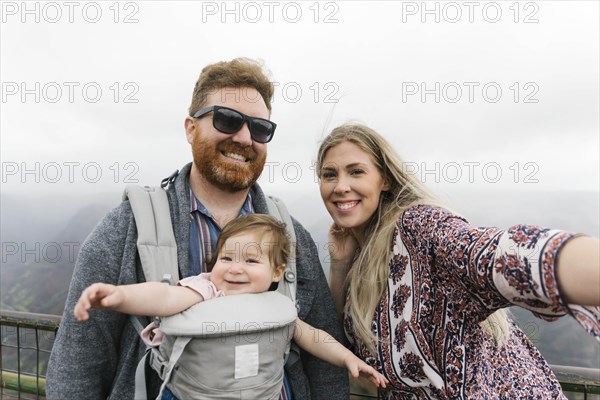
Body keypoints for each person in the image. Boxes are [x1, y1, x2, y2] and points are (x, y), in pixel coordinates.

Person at [46, 58, 349, 399]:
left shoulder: (291, 236)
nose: (245, 137)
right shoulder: (126, 228)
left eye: (260, 128)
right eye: (227, 119)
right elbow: (79, 364)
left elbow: (323, 365)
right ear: (191, 128)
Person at [317, 123, 600, 399]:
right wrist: (340, 263)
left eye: (356, 172)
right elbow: (341, 345)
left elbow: (493, 254)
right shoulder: (360, 259)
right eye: (329, 175)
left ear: (385, 180)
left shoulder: (418, 227)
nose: (341, 186)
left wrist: (575, 262)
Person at [74, 214, 389, 399]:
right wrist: (120, 296)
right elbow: (166, 297)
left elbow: (313, 337)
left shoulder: (277, 306)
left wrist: (348, 358)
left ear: (277, 272)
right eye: (226, 258)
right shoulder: (208, 289)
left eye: (251, 261)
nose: (235, 269)